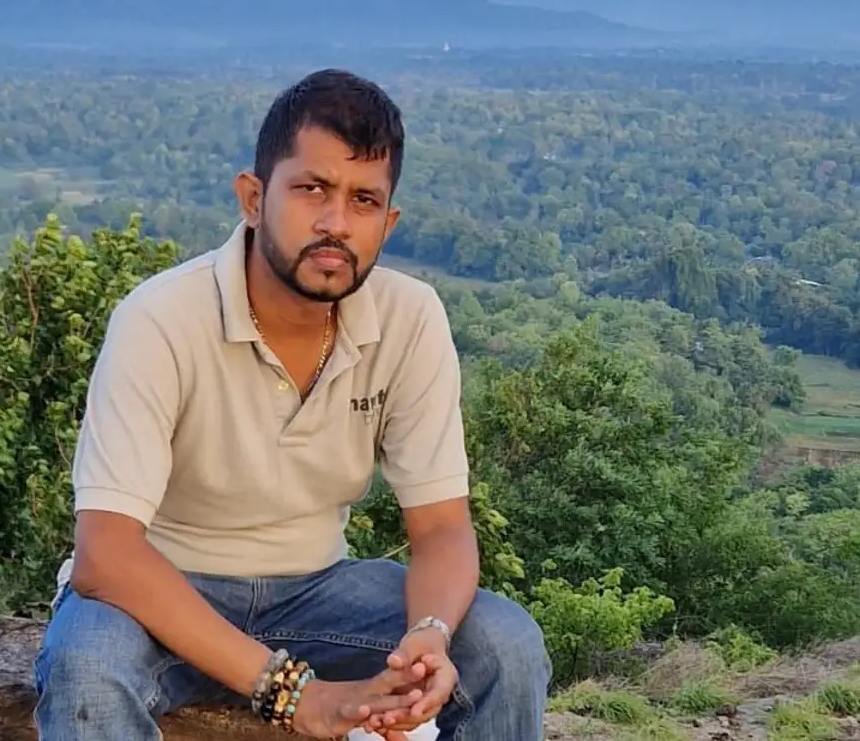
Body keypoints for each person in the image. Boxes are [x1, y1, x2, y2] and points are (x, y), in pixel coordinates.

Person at [33, 68, 550, 739]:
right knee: (86, 666)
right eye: (312, 189)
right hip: (161, 588)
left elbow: (442, 529)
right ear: (253, 198)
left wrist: (429, 633)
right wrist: (291, 692)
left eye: (363, 200)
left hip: (319, 590)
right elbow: (106, 555)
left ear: (387, 224)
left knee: (505, 645)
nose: (336, 223)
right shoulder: (160, 318)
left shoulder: (409, 318)